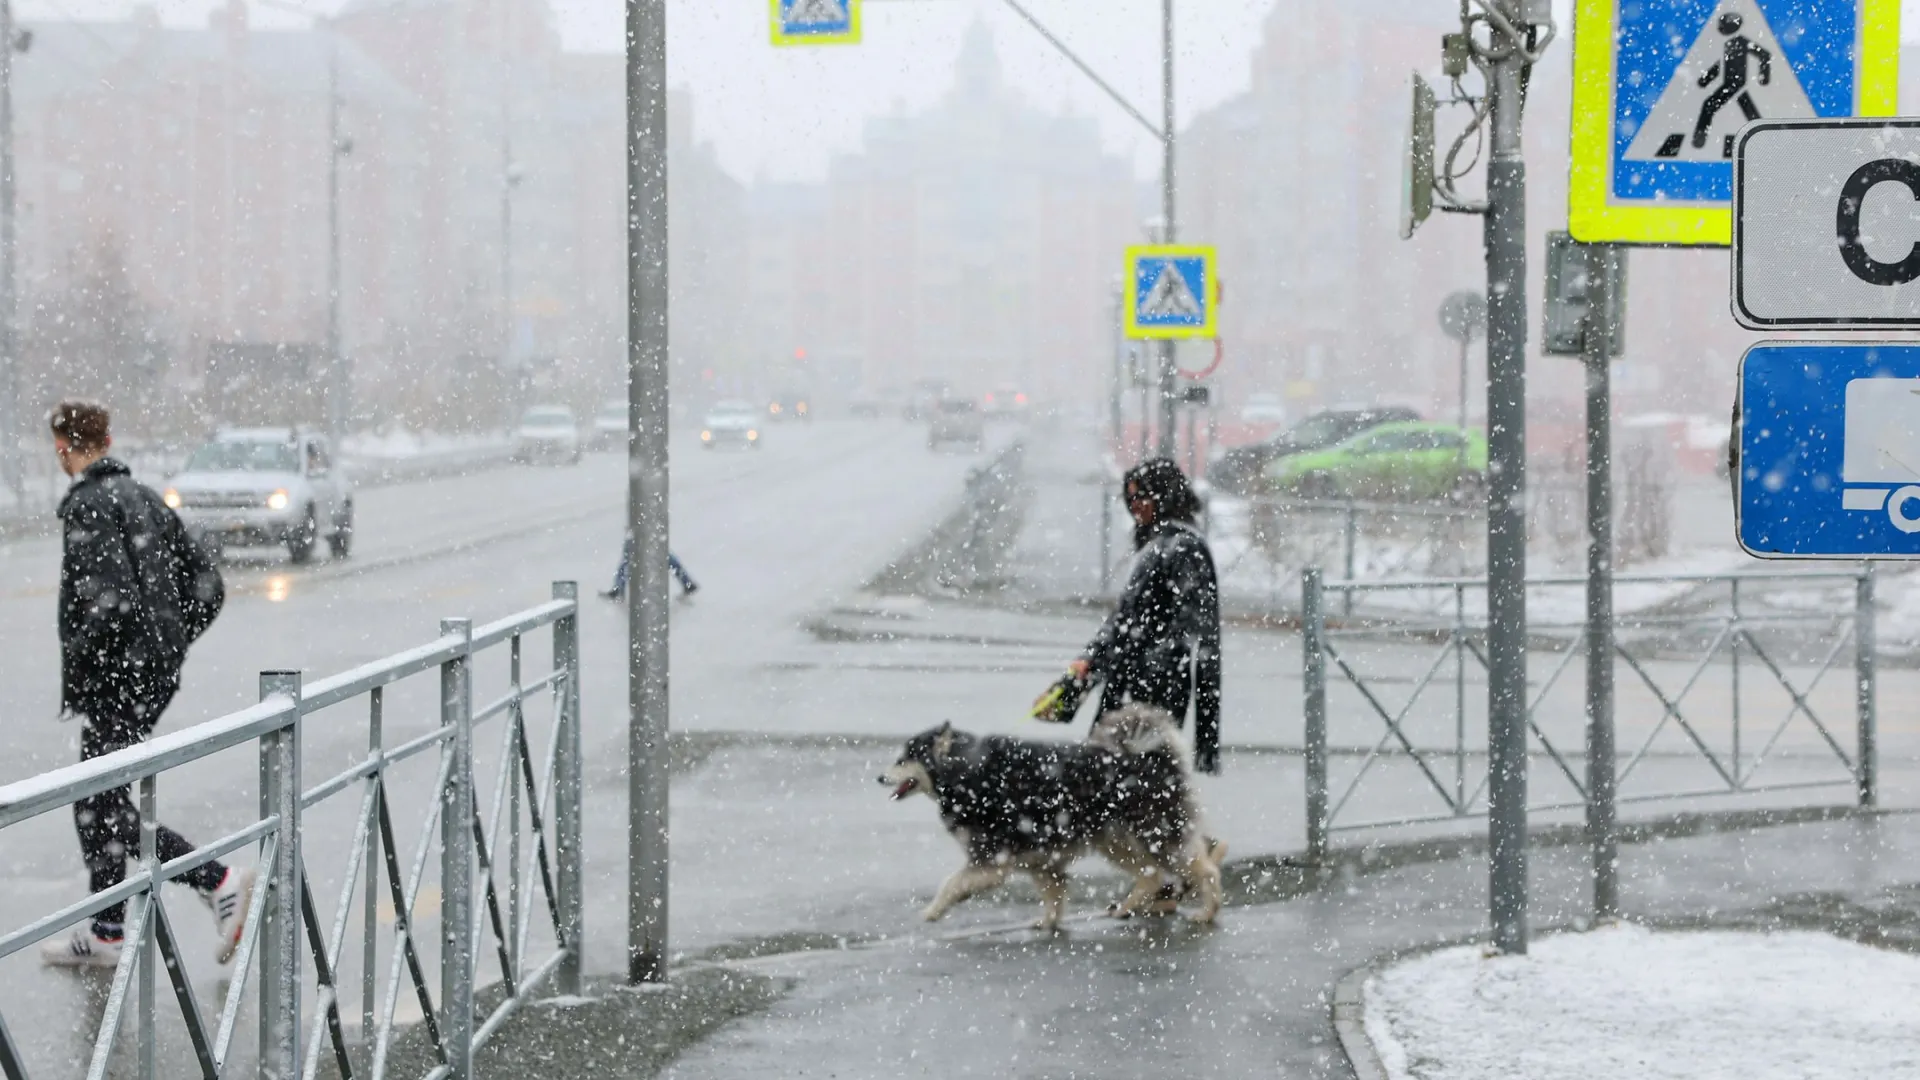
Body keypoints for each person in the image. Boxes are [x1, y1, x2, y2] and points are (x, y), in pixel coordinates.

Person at [41, 401, 254, 968]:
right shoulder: (146, 499)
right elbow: (208, 585)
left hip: (115, 679)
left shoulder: (89, 504)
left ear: (64, 447)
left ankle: (217, 880)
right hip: (146, 676)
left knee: (101, 802)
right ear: (107, 438)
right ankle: (108, 928)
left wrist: (91, 665)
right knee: (99, 796)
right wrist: (167, 643)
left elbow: (103, 602)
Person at [1047, 457, 1223, 774]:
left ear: (1165, 496)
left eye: (1142, 496)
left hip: (1153, 693)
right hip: (1132, 685)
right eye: (1131, 498)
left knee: (1127, 785)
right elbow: (1125, 620)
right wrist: (1088, 663)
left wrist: (1207, 740)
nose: (1135, 506)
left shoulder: (1182, 548)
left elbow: (1202, 640)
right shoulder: (1160, 546)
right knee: (1111, 781)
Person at [602, 531, 698, 599]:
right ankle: (687, 582)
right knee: (662, 554)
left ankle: (618, 589)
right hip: (650, 524)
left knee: (629, 557)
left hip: (641, 525)